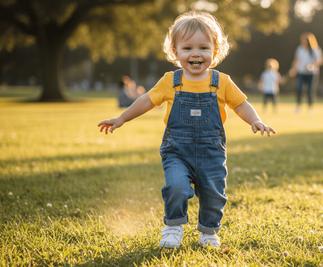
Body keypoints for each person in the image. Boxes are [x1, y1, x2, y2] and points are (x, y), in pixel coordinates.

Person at [97, 11, 276, 249]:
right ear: (175, 51)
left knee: (214, 195)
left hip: (211, 152)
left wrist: (255, 119)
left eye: (203, 47)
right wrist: (122, 118)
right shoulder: (170, 81)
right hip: (177, 151)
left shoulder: (221, 81)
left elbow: (241, 104)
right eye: (187, 48)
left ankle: (209, 232)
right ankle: (172, 228)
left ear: (215, 51)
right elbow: (146, 101)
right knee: (176, 187)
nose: (195, 54)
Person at [289, 32, 323, 114]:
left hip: (312, 73)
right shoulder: (300, 49)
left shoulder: (315, 49)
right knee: (299, 88)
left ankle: (310, 107)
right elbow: (297, 60)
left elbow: (320, 61)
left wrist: (312, 65)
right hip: (301, 72)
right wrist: (293, 69)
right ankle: (298, 106)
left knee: (310, 90)